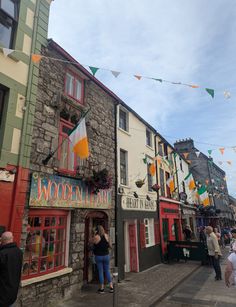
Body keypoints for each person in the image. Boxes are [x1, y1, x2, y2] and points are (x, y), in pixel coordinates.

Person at [0, 231, 23, 307]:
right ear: (12, 239)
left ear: (2, 240)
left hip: (2, 293)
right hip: (13, 292)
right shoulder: (19, 252)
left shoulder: (2, 254)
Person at [92, 225, 113, 294]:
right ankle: (111, 287)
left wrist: (93, 234)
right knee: (107, 271)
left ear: (97, 230)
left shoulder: (96, 237)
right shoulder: (106, 235)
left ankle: (102, 288)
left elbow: (91, 244)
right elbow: (110, 245)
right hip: (106, 255)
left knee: (100, 272)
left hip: (98, 256)